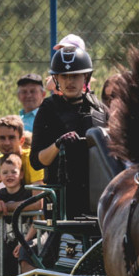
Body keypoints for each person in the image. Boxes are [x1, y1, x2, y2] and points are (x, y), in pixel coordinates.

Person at [30, 46, 109, 218]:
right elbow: (36, 160)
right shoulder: (48, 109)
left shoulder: (100, 109)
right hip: (61, 201)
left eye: (75, 75)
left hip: (97, 200)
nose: (69, 81)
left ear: (85, 77)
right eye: (64, 76)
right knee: (62, 245)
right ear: (56, 79)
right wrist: (58, 145)